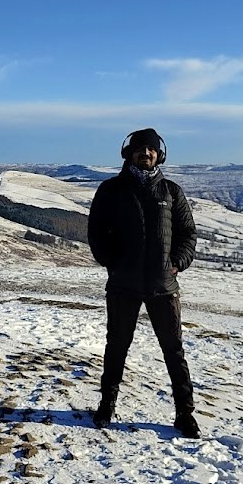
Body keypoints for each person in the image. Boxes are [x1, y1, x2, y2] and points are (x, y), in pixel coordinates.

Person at [87, 127, 200, 437]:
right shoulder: (111, 190)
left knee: (174, 351)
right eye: (140, 149)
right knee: (116, 346)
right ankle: (107, 405)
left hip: (164, 286)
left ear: (159, 154)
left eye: (151, 149)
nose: (146, 153)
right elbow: (96, 232)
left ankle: (185, 414)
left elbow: (188, 234)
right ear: (129, 153)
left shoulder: (171, 192)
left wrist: (175, 264)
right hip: (123, 284)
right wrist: (112, 262)